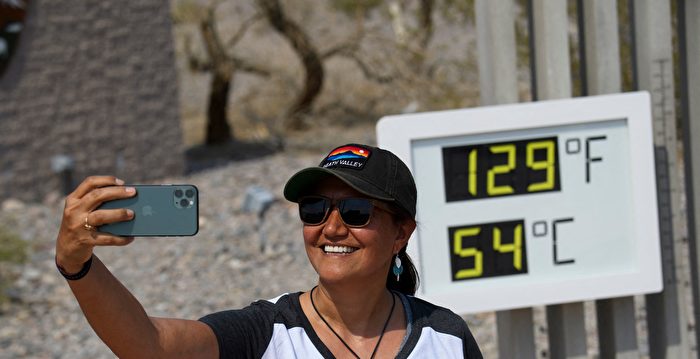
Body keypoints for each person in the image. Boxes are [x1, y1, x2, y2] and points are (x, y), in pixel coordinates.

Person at [55, 143, 483, 358]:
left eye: (355, 211)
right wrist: (77, 266)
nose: (331, 228)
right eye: (315, 209)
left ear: (400, 233)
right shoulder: (267, 333)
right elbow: (150, 346)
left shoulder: (445, 338)